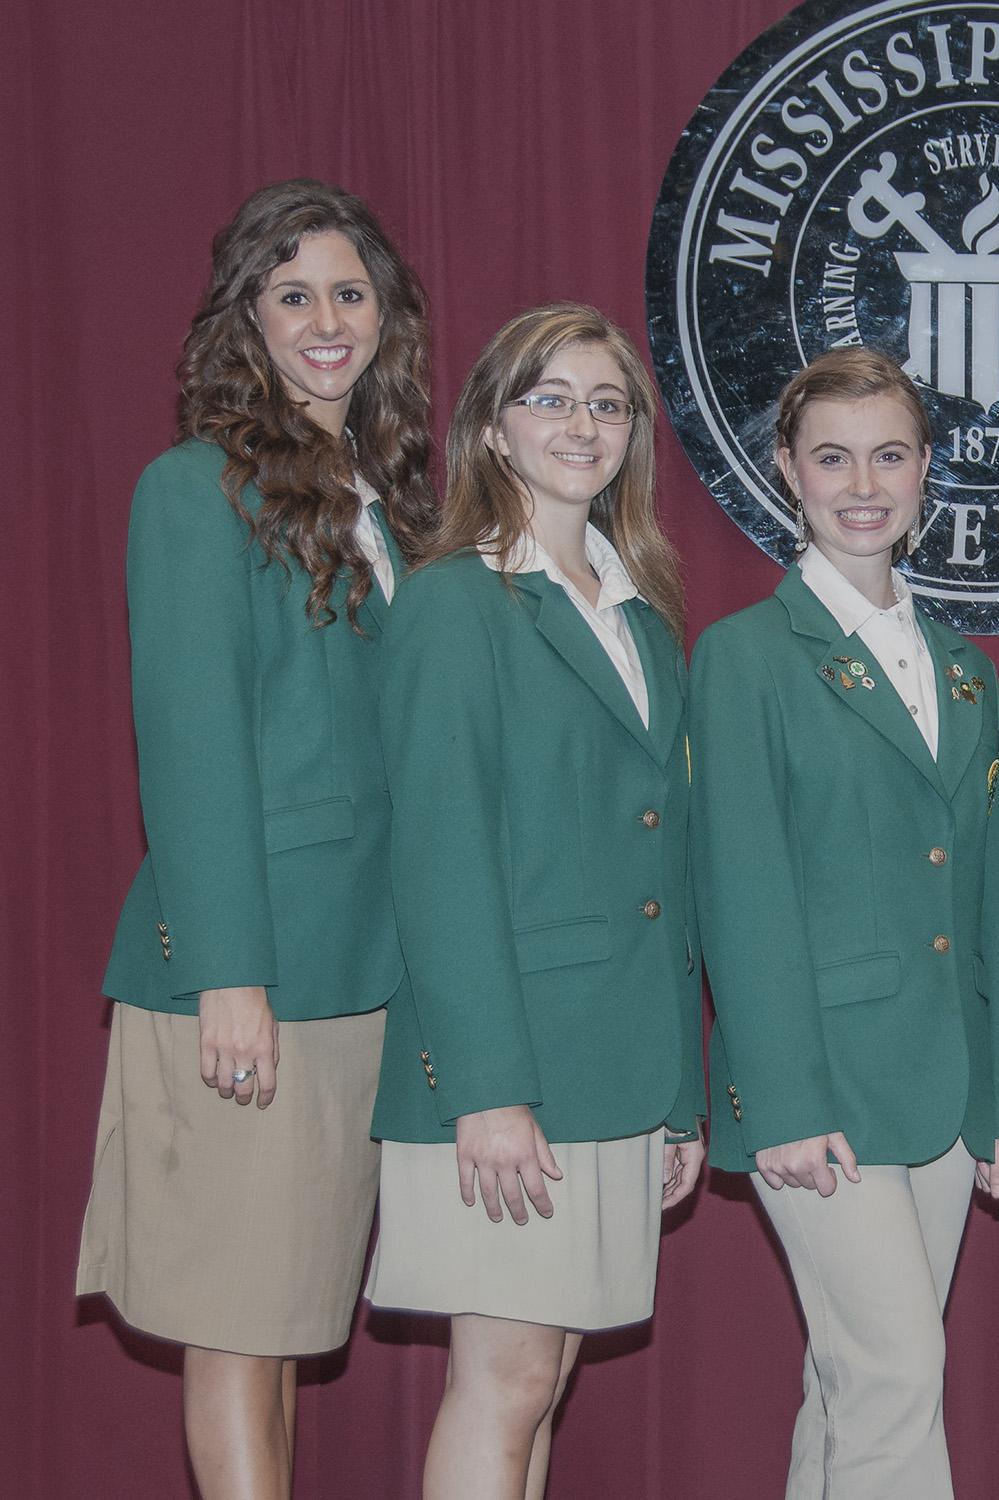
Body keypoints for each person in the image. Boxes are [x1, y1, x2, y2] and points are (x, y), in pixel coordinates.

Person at [75, 178, 434, 1499]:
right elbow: (189, 743)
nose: (327, 321)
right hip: (250, 976)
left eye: (350, 293)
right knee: (238, 1325)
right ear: (248, 322)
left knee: (287, 1317)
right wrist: (231, 973)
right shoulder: (194, 491)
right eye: (294, 296)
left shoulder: (385, 501)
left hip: (356, 973)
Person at [364, 303, 702, 1500]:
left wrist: (678, 1093)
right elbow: (439, 859)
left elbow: (664, 871)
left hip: (614, 1065)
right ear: (494, 431)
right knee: (504, 1381)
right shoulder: (454, 604)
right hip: (511, 1074)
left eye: (607, 403)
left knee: (542, 1378)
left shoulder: (642, 614)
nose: (582, 424)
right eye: (549, 397)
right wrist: (488, 1090)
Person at [688, 348, 999, 1498]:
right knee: (893, 1371)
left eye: (889, 455)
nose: (863, 484)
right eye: (833, 457)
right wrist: (780, 1097)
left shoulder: (966, 670)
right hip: (818, 1089)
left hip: (939, 1087)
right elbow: (742, 890)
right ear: (788, 469)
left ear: (930, 469)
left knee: (855, 1385)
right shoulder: (742, 659)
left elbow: (987, 901)